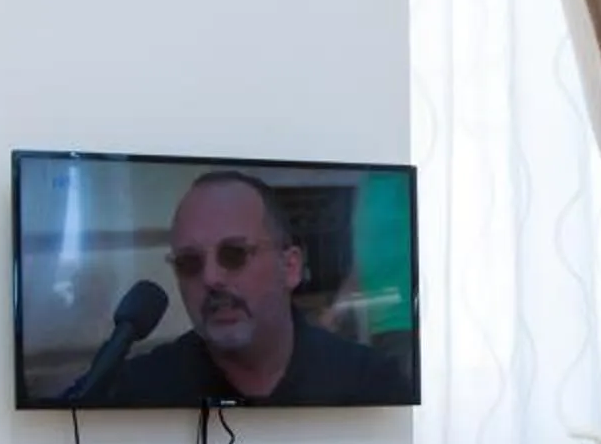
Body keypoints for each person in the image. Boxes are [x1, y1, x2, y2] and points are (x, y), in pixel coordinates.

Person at [88, 170, 415, 408]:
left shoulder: (370, 382)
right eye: (189, 262)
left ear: (290, 267)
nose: (211, 277)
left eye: (234, 254)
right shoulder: (139, 388)